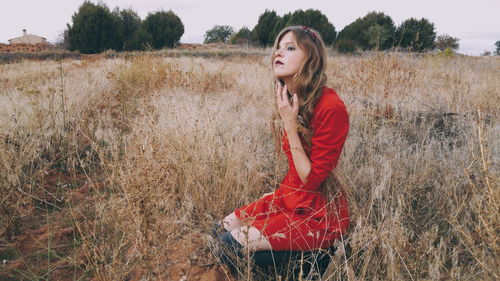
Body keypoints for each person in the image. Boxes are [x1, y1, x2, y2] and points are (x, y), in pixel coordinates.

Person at [214, 26, 350, 275]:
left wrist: (289, 124)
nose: (278, 53)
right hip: (292, 196)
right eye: (278, 47)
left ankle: (317, 258)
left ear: (311, 57)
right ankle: (299, 259)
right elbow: (295, 172)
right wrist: (277, 196)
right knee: (221, 228)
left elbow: (311, 180)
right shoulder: (291, 96)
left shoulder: (331, 107)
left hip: (317, 215)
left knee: (228, 245)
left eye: (290, 48)